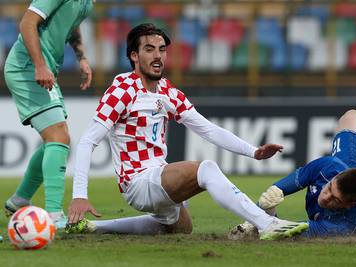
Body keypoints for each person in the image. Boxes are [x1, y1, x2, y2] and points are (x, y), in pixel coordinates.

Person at [65, 23, 308, 240]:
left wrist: (253, 152)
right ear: (134, 56)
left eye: (162, 49)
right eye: (149, 49)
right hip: (137, 181)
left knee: (180, 227)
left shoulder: (168, 92)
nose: (158, 55)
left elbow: (208, 130)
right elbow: (87, 142)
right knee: (206, 169)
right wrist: (79, 195)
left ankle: (95, 227)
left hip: (158, 175)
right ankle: (267, 224)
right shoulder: (122, 90)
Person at [229, 109, 356, 239]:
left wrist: (263, 217)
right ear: (335, 177)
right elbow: (301, 176)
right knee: (352, 117)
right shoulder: (330, 166)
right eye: (330, 188)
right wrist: (276, 190)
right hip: (353, 167)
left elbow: (288, 232)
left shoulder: (342, 227)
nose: (325, 197)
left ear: (348, 204)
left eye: (335, 200)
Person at [3, 0, 94, 228]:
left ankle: (20, 200)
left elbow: (72, 23)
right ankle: (54, 216)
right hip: (27, 67)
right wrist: (39, 65)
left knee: (55, 141)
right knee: (59, 137)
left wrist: (81, 57)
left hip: (46, 68)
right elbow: (27, 23)